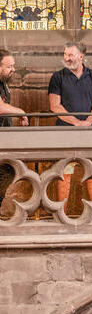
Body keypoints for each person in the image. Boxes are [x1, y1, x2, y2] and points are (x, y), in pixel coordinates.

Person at [48, 42, 92, 202]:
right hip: (65, 132)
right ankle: (62, 213)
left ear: (81, 56)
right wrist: (76, 123)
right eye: (65, 55)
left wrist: (88, 122)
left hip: (90, 132)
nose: (67, 58)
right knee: (64, 173)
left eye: (70, 55)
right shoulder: (57, 77)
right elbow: (55, 106)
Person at [0, 49, 29, 221]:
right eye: (9, 66)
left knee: (6, 173)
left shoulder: (4, 83)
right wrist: (21, 112)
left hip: (5, 140)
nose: (13, 69)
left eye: (14, 66)